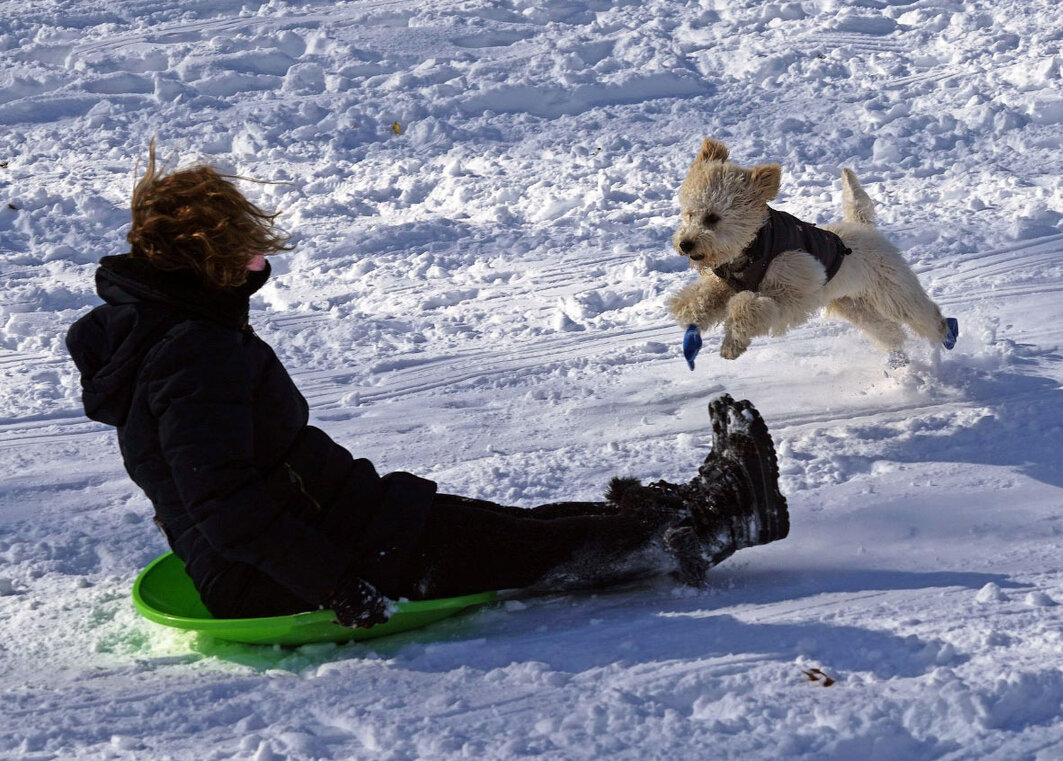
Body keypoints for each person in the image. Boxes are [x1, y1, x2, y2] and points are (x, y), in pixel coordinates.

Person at [66, 146, 790, 628]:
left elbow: (194, 477)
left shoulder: (169, 327)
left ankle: (688, 506)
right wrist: (332, 585)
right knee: (517, 552)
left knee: (509, 525)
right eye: (245, 253)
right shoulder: (189, 353)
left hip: (333, 517)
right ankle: (714, 523)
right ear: (207, 261)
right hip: (292, 567)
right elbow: (223, 505)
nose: (256, 266)